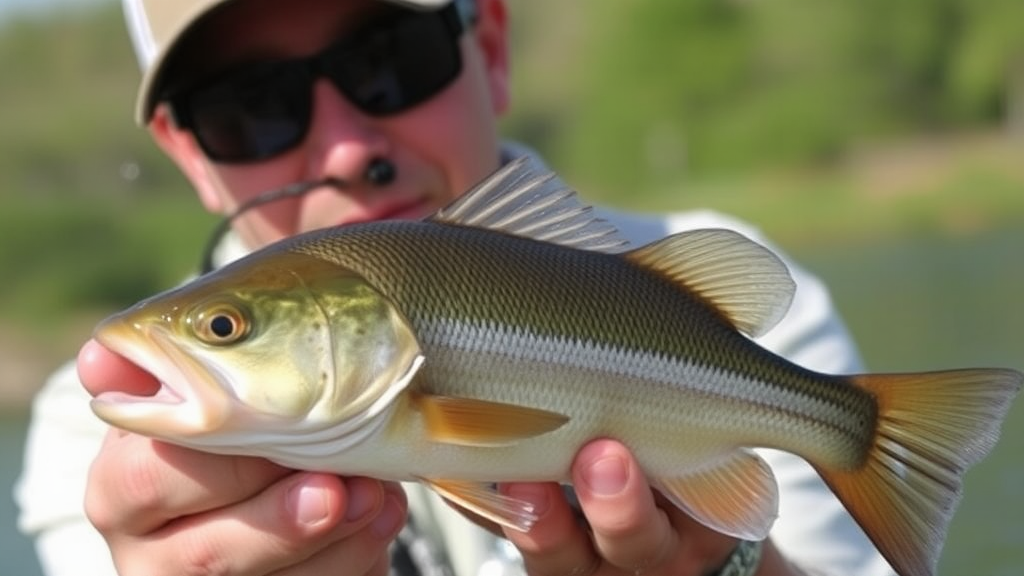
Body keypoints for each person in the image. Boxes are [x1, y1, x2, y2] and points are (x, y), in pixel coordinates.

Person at [15, 1, 896, 575]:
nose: (348, 145)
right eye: (251, 106)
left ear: (494, 45)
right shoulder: (84, 440)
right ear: (187, 156)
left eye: (388, 55)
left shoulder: (714, 289)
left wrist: (731, 567)